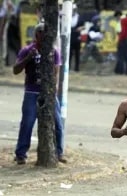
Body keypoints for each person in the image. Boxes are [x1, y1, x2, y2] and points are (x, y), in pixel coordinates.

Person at [12, 23, 67, 165]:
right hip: (31, 91)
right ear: (37, 34)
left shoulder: (54, 51)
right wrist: (28, 58)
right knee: (27, 123)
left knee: (57, 123)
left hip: (48, 93)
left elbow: (56, 73)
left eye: (47, 32)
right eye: (42, 32)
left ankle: (59, 152)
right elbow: (16, 70)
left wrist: (53, 91)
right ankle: (21, 154)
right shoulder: (27, 50)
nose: (45, 35)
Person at [70, 4, 84, 72]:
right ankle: (68, 67)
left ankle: (77, 68)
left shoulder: (79, 17)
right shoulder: (67, 17)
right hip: (70, 37)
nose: (73, 11)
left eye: (74, 10)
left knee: (77, 53)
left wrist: (81, 28)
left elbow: (83, 26)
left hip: (77, 37)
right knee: (69, 53)